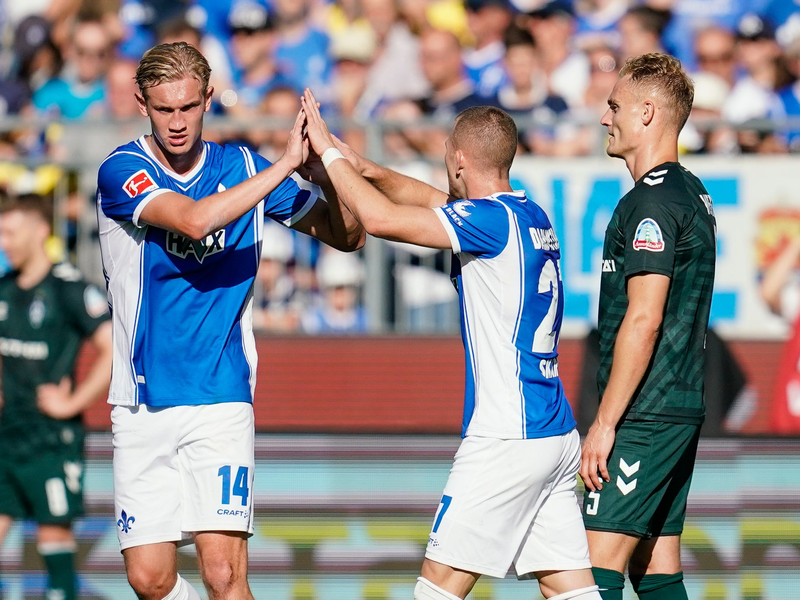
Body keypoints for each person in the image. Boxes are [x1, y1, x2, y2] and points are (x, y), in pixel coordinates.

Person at [300, 88, 601, 600]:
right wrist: (361, 166)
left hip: (506, 436)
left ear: (459, 160)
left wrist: (328, 153)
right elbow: (433, 202)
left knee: (436, 590)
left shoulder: (487, 222)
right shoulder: (529, 216)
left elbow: (380, 220)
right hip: (554, 436)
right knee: (571, 591)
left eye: (445, 159)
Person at [96, 42, 363, 600]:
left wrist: (326, 176)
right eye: (164, 109)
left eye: (188, 107)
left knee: (224, 575)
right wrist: (285, 166)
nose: (177, 122)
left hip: (220, 396)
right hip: (141, 400)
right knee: (148, 580)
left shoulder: (244, 168)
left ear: (208, 98)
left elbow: (347, 236)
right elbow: (192, 222)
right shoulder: (123, 170)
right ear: (142, 102)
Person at [579, 53, 717, 600]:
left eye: (615, 105)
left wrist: (606, 423)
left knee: (589, 574)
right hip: (676, 407)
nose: (604, 117)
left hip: (644, 413)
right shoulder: (691, 192)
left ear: (647, 113)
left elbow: (645, 315)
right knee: (655, 567)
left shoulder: (651, 203)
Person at [0, 194, 113, 600]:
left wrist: (73, 401)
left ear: (40, 231)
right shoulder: (4, 289)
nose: (4, 242)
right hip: (6, 434)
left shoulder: (67, 288)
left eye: (11, 232)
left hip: (51, 438)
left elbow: (112, 346)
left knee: (53, 535)